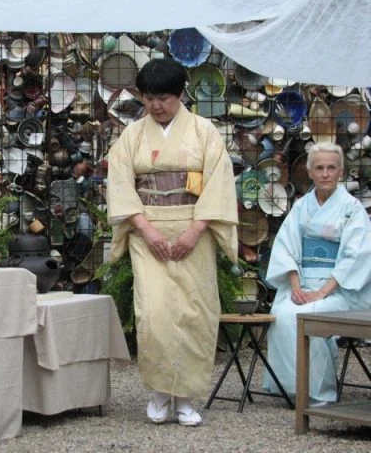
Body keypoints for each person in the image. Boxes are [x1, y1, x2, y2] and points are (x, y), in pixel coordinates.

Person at [106, 58, 238, 426]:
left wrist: (197, 229)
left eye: (164, 97)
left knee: (194, 313)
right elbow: (119, 183)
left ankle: (186, 399)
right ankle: (161, 393)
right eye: (149, 98)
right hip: (147, 230)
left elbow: (219, 182)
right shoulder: (131, 135)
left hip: (194, 229)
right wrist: (145, 229)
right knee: (155, 313)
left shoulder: (203, 131)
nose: (156, 106)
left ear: (180, 94)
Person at [263, 142, 371, 405]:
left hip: (340, 289)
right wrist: (296, 286)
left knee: (305, 315)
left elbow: (356, 256)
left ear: (341, 172)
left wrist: (322, 292)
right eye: (319, 168)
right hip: (304, 284)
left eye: (331, 168)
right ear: (309, 172)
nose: (325, 173)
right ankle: (289, 387)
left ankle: (318, 392)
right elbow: (286, 247)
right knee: (282, 313)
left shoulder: (352, 209)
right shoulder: (301, 207)